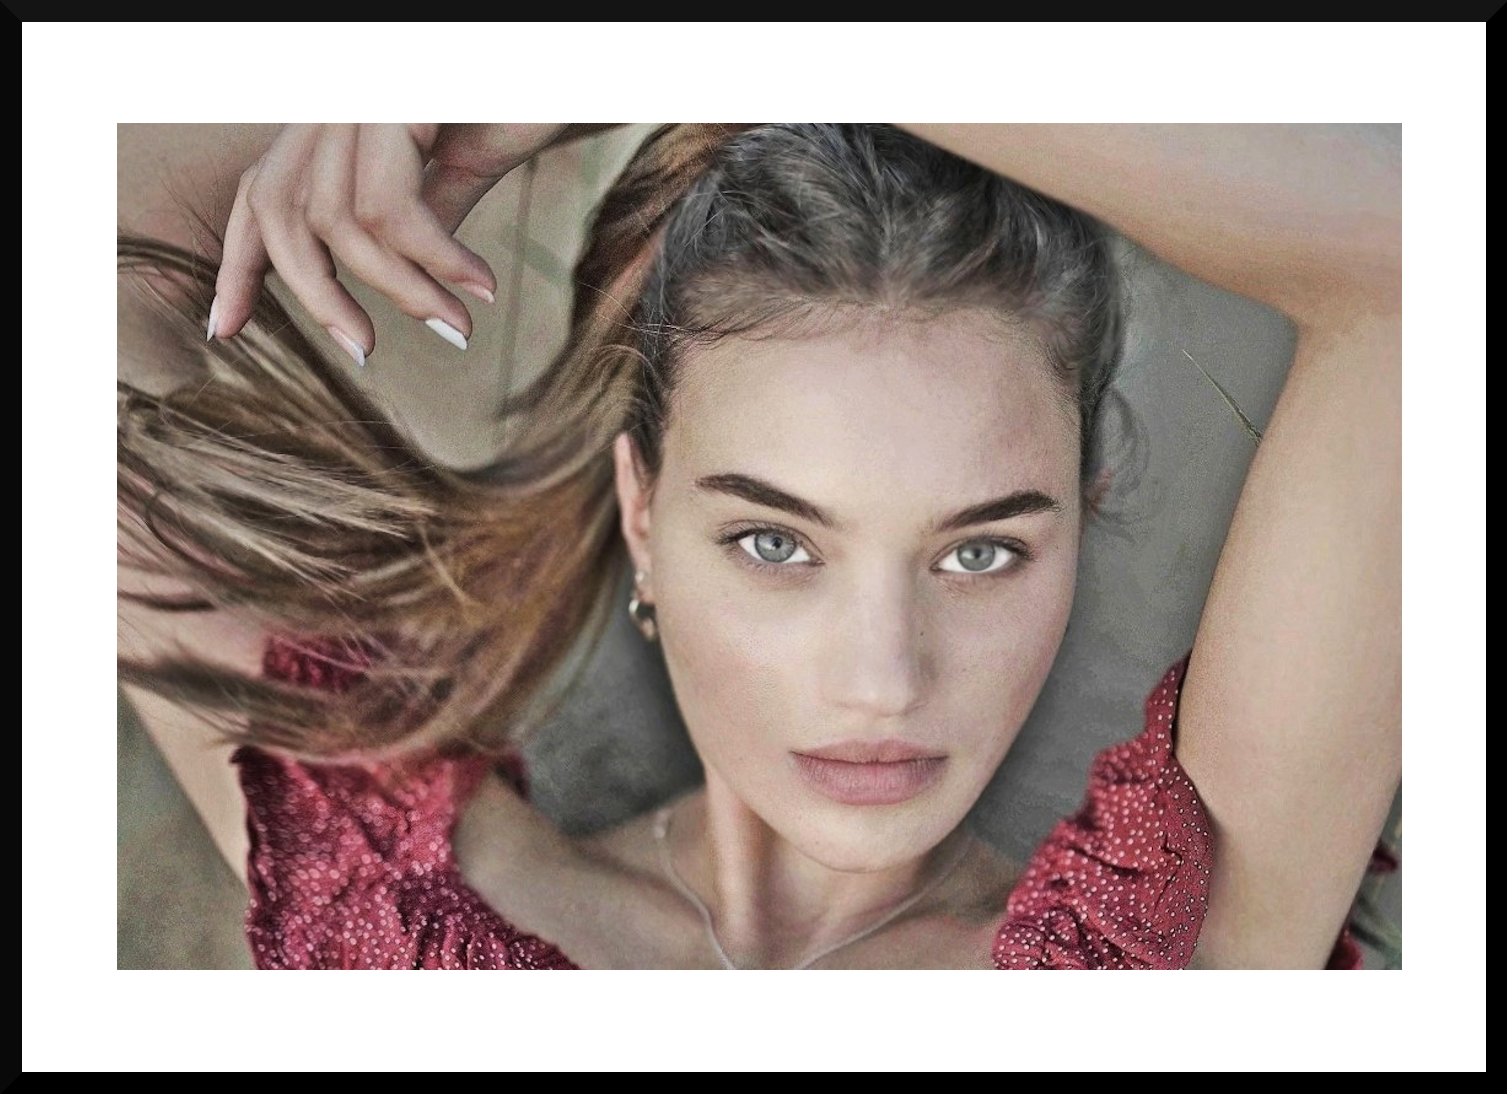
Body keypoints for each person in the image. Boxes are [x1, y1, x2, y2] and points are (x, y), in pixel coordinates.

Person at [117, 122, 1401, 969]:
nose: (883, 680)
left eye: (979, 554)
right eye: (775, 541)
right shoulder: (376, 894)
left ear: (1084, 508)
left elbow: (1419, 248)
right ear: (642, 513)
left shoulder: (1168, 955)